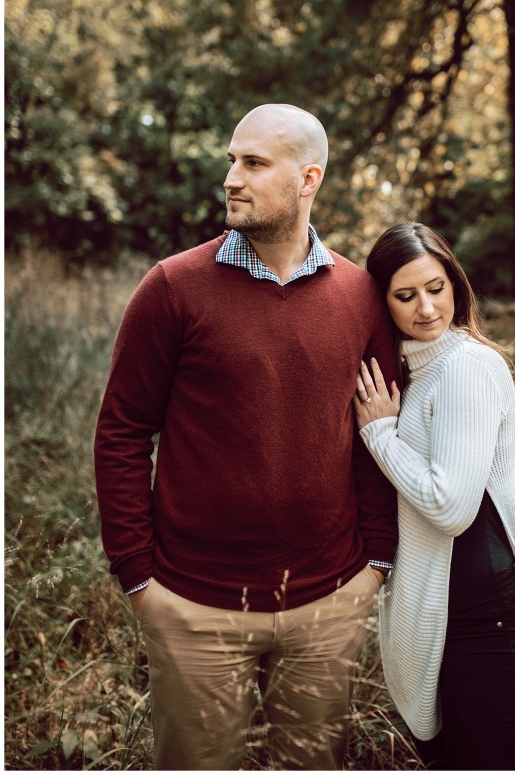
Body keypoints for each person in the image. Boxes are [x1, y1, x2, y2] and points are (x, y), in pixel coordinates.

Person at [94, 103, 398, 771]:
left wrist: (375, 563)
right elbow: (122, 430)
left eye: (255, 163)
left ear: (308, 178)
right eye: (232, 160)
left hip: (329, 604)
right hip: (193, 604)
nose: (232, 178)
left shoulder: (360, 296)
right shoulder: (172, 288)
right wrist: (138, 575)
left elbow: (376, 436)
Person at [352, 222, 515, 771]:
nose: (426, 308)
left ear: (455, 286)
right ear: (381, 302)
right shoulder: (412, 373)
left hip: (490, 627)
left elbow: (452, 507)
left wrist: (380, 436)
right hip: (443, 621)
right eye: (405, 296)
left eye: (436, 288)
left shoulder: (465, 367)